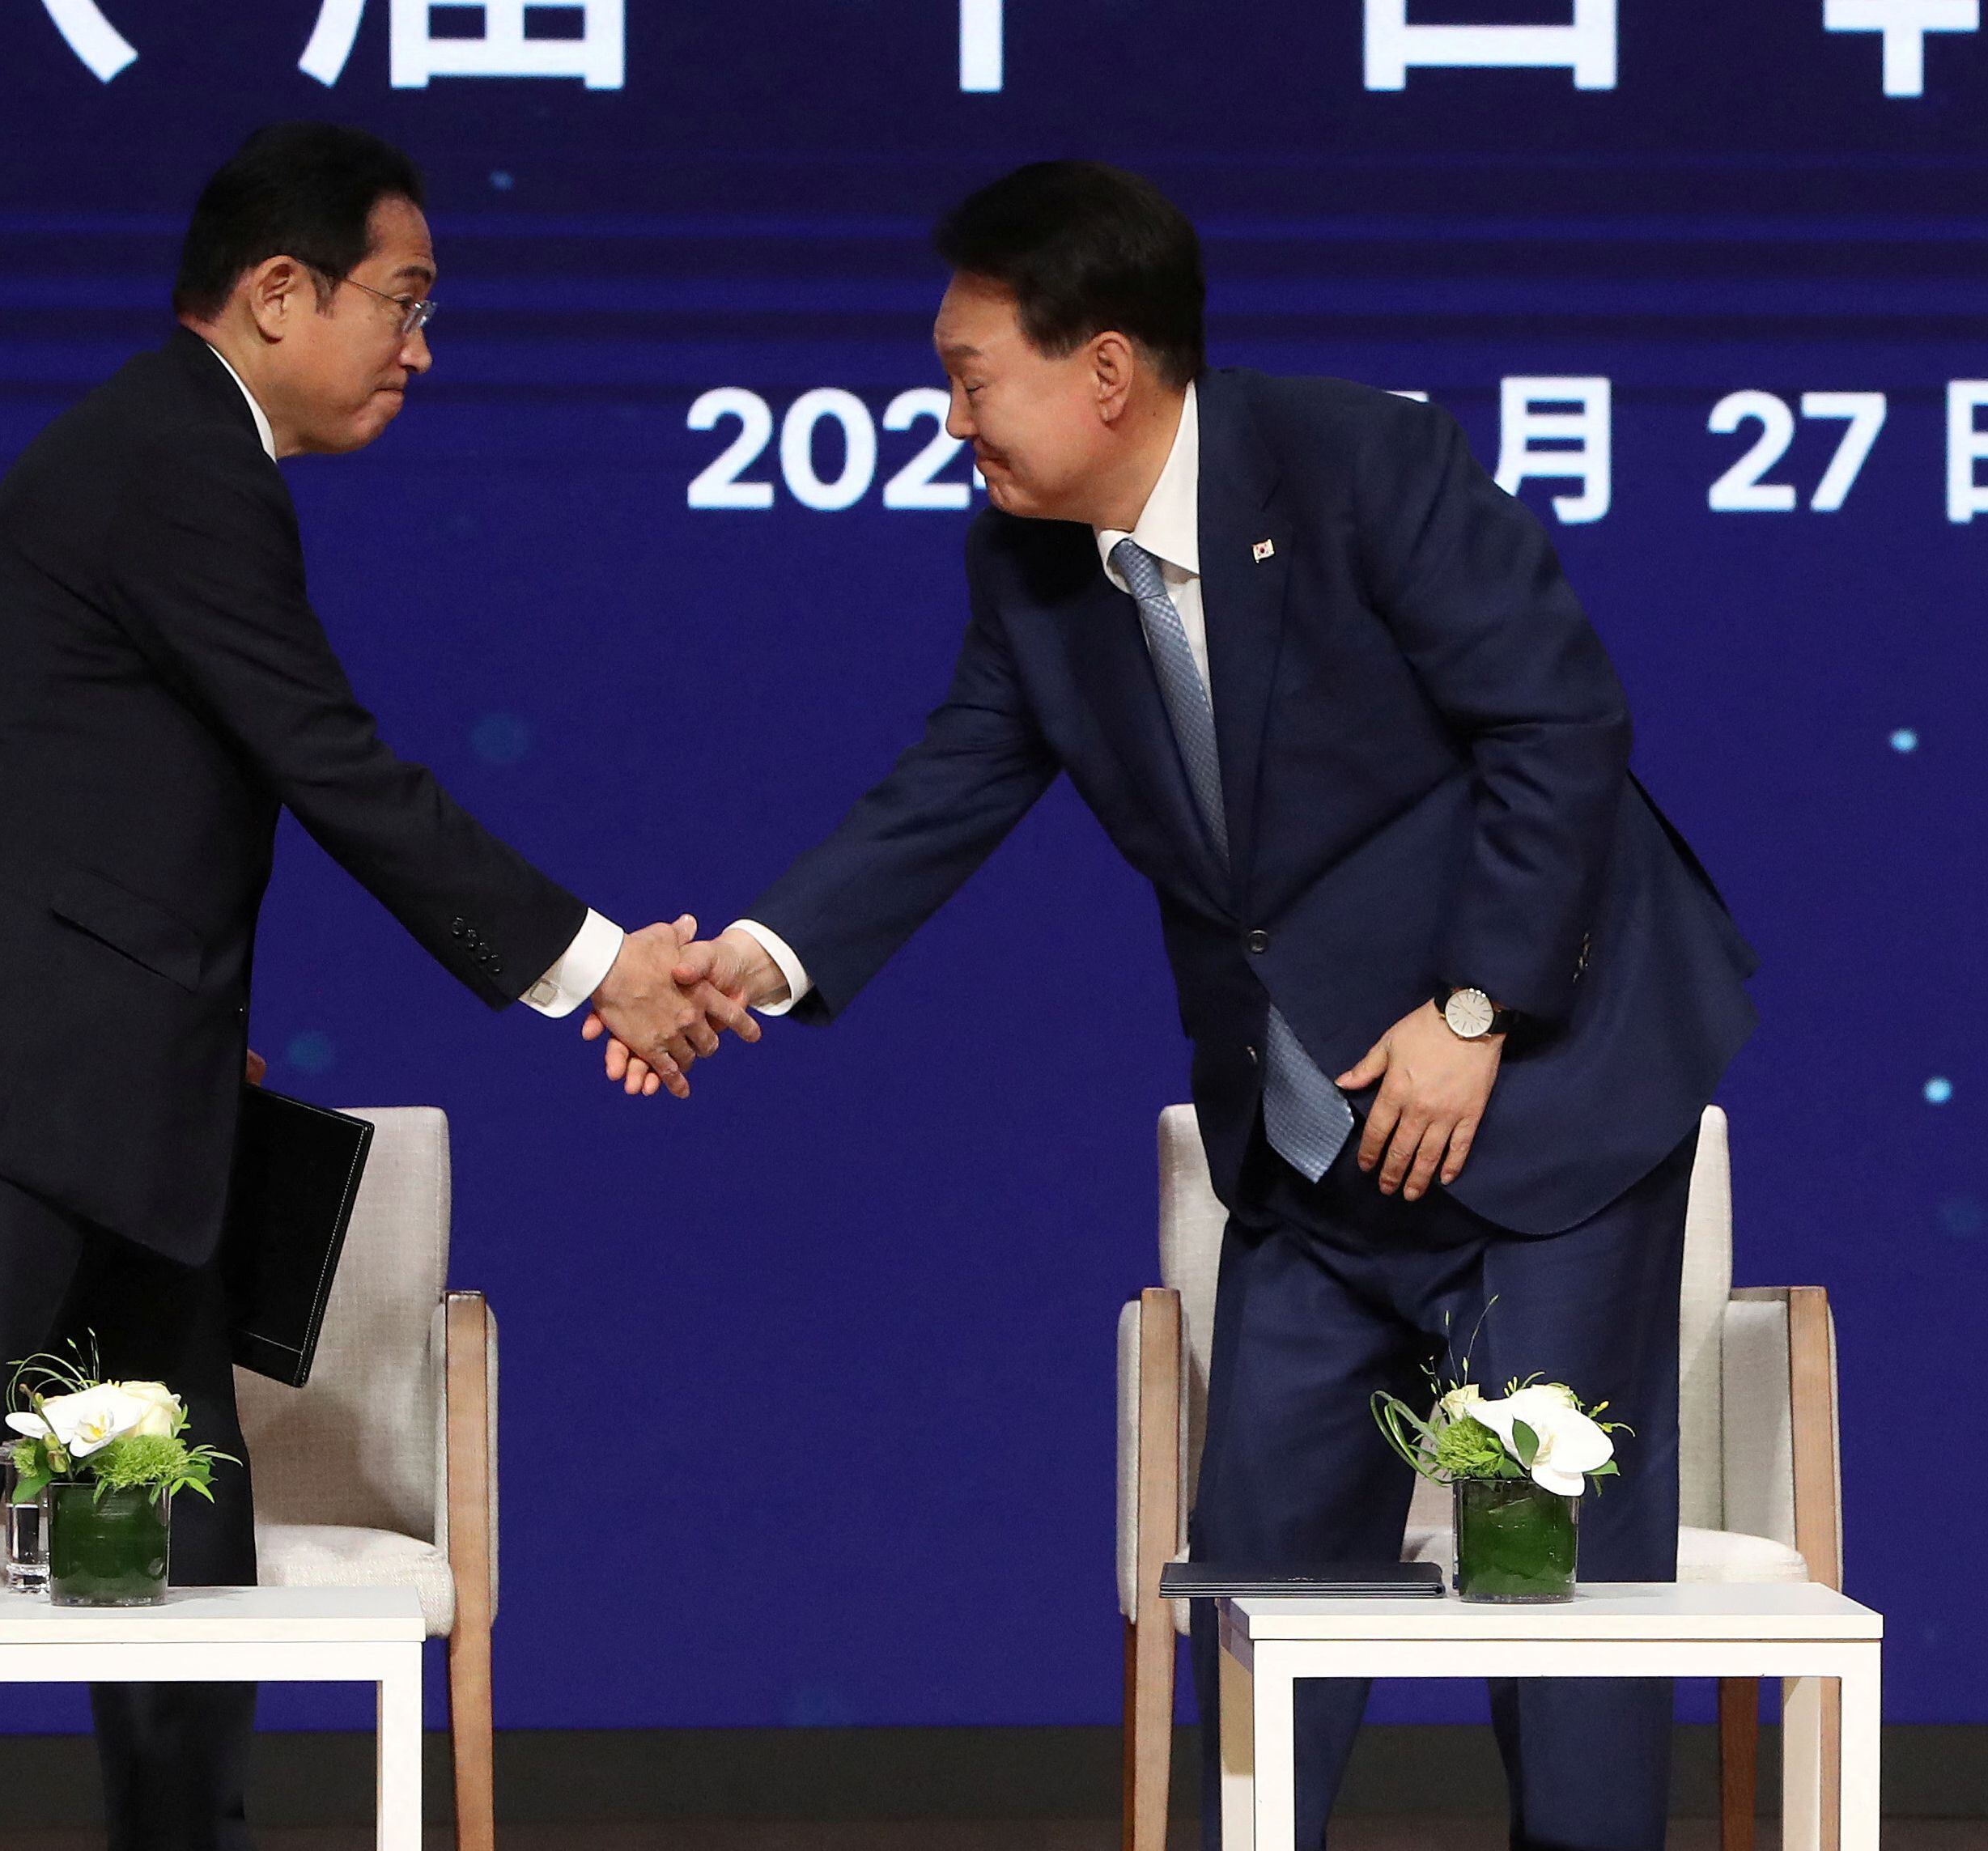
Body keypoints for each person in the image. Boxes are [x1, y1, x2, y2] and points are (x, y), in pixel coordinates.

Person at [617, 161, 1757, 1850]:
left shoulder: (1362, 462)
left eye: (968, 374)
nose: (950, 418)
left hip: (1544, 1100)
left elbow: (1557, 728)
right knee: (1262, 1579)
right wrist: (759, 962)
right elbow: (948, 787)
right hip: (1309, 1144)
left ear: (1103, 369)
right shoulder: (1030, 567)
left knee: (1557, 1587)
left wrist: (1473, 1007)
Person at [0, 122, 749, 1851]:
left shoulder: (178, 454)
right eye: (401, 300)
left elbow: (121, 794)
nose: (422, 345)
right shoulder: (176, 459)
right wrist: (595, 968)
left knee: (181, 1533)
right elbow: (330, 759)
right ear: (279, 293)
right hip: (16, 1077)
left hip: (123, 1079)